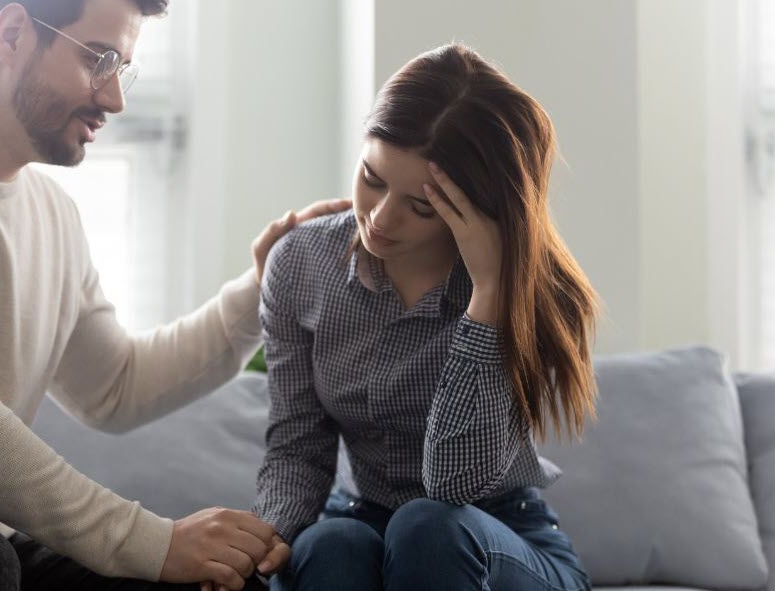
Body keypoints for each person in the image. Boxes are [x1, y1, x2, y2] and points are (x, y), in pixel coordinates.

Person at [0, 0, 349, 589]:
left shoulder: (52, 213)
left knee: (212, 578)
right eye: (98, 60)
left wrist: (260, 288)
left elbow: (115, 386)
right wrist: (153, 542)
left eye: (121, 69)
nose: (115, 98)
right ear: (12, 33)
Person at [254, 43, 599, 590]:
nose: (380, 218)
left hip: (495, 534)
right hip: (362, 518)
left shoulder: (521, 287)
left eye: (421, 206)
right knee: (326, 544)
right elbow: (298, 448)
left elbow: (454, 484)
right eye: (371, 177)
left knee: (427, 528)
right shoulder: (301, 264)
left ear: (479, 207)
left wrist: (488, 294)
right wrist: (270, 537)